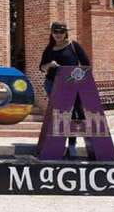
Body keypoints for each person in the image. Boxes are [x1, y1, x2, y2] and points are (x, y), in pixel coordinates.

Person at [39, 21, 91, 158]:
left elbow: (86, 65)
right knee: (60, 114)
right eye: (55, 32)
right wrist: (49, 65)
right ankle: (56, 146)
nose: (58, 34)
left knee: (74, 114)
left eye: (61, 32)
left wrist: (76, 74)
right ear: (51, 33)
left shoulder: (74, 46)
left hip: (72, 85)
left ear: (66, 33)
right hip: (53, 85)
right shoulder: (49, 49)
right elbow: (42, 68)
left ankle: (72, 145)